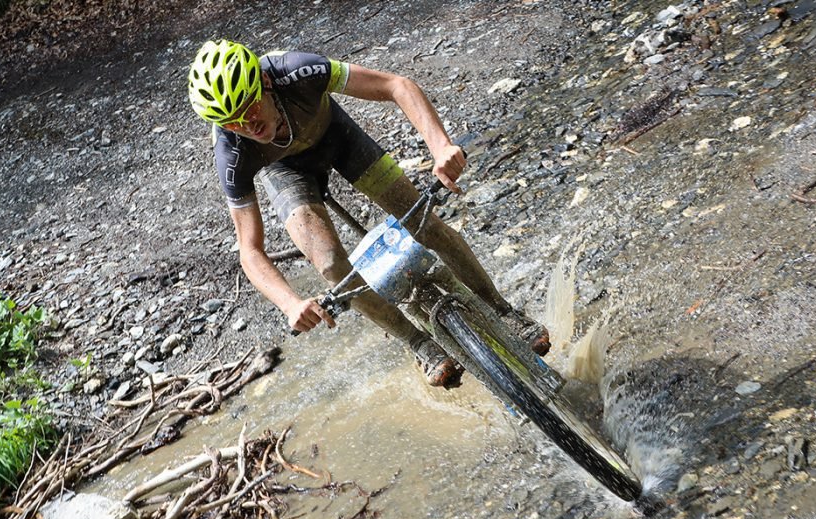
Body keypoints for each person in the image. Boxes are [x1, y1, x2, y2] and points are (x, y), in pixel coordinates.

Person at [187, 40, 549, 388]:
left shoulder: (296, 71)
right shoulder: (231, 153)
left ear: (264, 82)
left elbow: (397, 85)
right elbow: (249, 251)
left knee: (425, 225)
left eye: (248, 107)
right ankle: (417, 343)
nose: (247, 125)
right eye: (231, 121)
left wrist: (440, 145)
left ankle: (503, 312)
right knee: (330, 265)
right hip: (285, 174)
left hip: (338, 138)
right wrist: (290, 303)